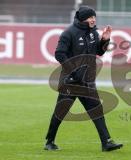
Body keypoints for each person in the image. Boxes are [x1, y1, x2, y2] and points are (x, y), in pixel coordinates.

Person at [44, 6, 123, 152]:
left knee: (97, 110)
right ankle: (49, 141)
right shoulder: (68, 33)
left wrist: (105, 40)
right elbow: (59, 54)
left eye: (94, 17)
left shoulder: (93, 32)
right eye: (90, 17)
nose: (93, 19)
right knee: (60, 112)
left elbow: (99, 51)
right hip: (71, 82)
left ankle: (106, 142)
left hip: (87, 81)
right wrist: (73, 72)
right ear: (82, 19)